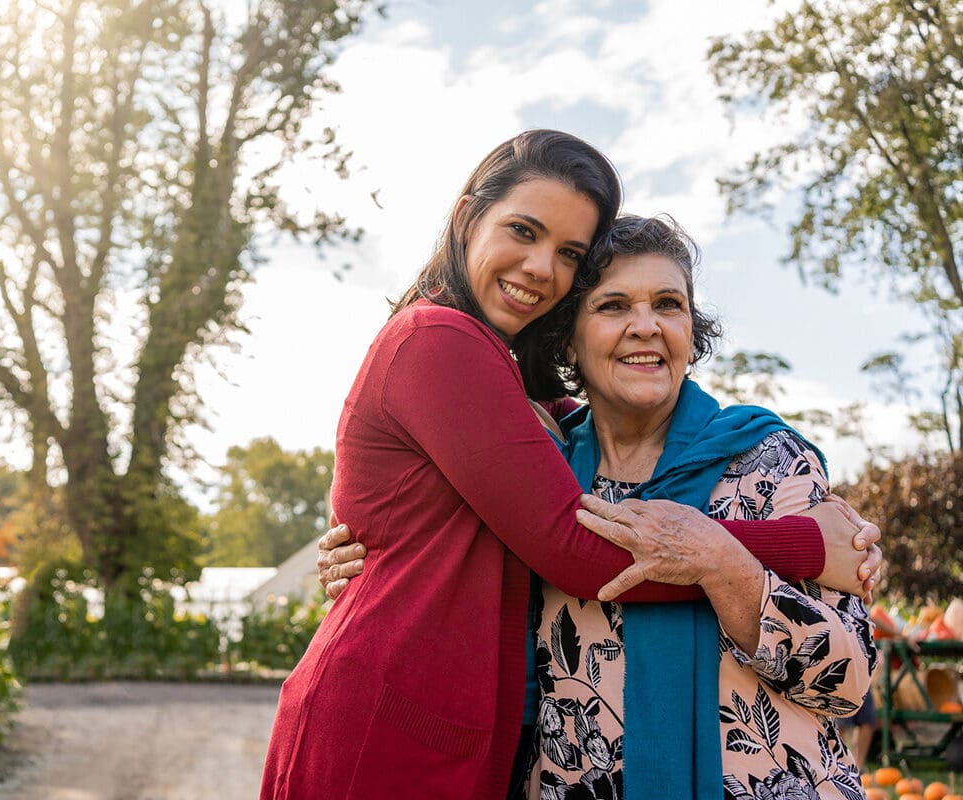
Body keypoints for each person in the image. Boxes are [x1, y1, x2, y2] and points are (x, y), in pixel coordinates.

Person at [260, 132, 878, 800]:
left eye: (667, 304)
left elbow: (849, 685)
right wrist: (803, 548)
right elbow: (568, 548)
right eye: (613, 306)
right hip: (411, 735)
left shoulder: (767, 463)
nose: (644, 325)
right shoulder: (531, 435)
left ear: (690, 332)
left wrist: (749, 577)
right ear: (571, 335)